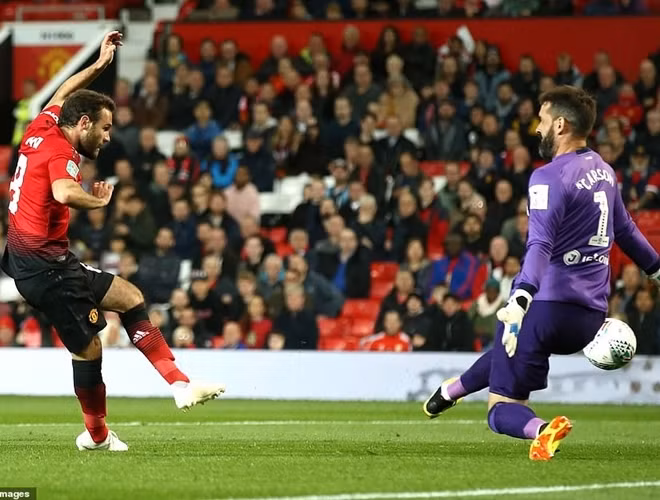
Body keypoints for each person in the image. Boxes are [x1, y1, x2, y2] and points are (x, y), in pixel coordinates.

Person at [1, 32, 224, 453]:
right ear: (83, 124)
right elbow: (65, 192)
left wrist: (100, 65)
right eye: (104, 128)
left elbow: (63, 92)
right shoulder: (62, 154)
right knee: (89, 349)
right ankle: (98, 436)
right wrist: (97, 201)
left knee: (130, 297)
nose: (107, 137)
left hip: (37, 259)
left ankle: (179, 384)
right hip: (45, 269)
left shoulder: (42, 125)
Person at [423, 86, 660, 461]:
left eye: (543, 120)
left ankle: (542, 430)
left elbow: (540, 244)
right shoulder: (604, 171)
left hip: (543, 307)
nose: (537, 128)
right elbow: (626, 231)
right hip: (588, 318)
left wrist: (520, 298)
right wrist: (657, 270)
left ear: (560, 125)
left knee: (500, 410)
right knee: (506, 353)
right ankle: (450, 392)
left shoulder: (548, 176)